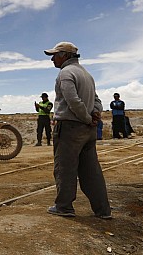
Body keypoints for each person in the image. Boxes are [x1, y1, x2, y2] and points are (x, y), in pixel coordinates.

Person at [43, 41, 111, 219]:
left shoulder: (66, 73)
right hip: (87, 131)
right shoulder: (86, 74)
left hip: (70, 128)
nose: (52, 59)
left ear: (65, 55)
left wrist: (88, 118)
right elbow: (96, 100)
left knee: (65, 168)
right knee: (91, 171)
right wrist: (95, 115)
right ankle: (103, 210)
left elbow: (72, 101)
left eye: (55, 55)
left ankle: (64, 207)